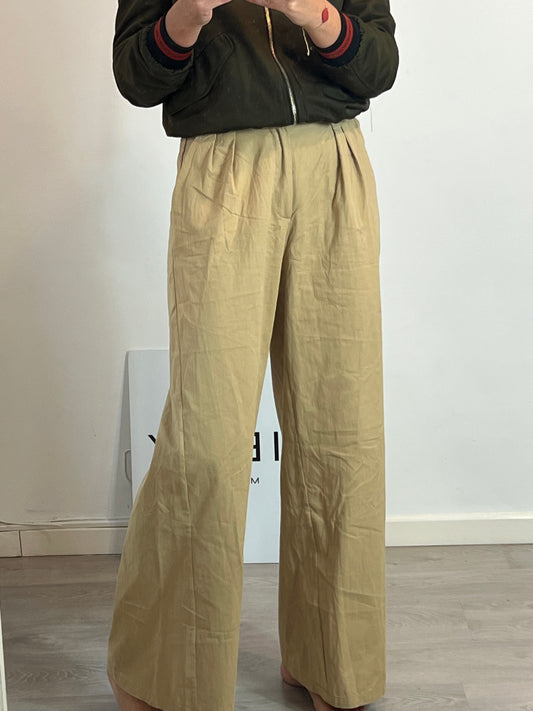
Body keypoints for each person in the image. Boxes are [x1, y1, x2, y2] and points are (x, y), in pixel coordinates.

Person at [106, 0, 399, 709]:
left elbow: (378, 64)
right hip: (224, 167)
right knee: (205, 438)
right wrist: (188, 15)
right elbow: (135, 74)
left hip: (333, 164)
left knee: (341, 429)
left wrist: (313, 12)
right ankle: (167, 669)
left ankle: (332, 659)